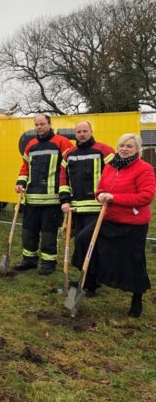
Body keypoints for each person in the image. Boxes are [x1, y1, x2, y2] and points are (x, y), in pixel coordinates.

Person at [73, 134, 155, 318]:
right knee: (84, 241)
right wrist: (101, 195)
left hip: (132, 224)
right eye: (121, 145)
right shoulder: (111, 166)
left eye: (129, 146)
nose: (124, 149)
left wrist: (115, 198)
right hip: (108, 219)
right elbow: (100, 188)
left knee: (133, 261)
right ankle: (91, 282)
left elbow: (146, 197)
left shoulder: (144, 168)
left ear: (138, 149)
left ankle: (136, 299)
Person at [59, 121, 114, 295]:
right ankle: (87, 278)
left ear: (91, 131)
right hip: (77, 209)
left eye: (85, 131)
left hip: (97, 208)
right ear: (75, 134)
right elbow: (63, 180)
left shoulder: (105, 151)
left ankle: (92, 282)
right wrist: (65, 200)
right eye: (79, 131)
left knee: (91, 245)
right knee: (81, 244)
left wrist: (108, 197)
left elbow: (114, 177)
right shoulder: (69, 154)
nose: (82, 134)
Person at [14, 114, 73, 275]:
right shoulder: (31, 145)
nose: (39, 127)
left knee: (48, 233)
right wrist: (20, 183)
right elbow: (25, 167)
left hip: (53, 200)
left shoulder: (61, 142)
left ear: (49, 124)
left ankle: (48, 263)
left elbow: (70, 167)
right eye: (37, 124)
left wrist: (65, 194)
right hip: (32, 199)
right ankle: (29, 260)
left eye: (42, 124)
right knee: (28, 231)